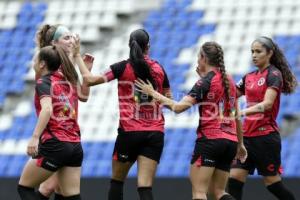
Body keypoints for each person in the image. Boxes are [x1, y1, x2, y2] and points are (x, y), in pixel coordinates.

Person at [135, 41, 247, 200]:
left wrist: (152, 92)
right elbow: (236, 114)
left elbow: (178, 108)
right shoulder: (228, 79)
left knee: (199, 192)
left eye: (198, 57)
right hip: (230, 141)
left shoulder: (204, 82)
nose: (197, 61)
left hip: (210, 140)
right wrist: (240, 144)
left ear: (203, 58)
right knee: (219, 193)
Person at [82, 29, 172, 200]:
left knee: (117, 182)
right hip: (155, 133)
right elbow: (169, 100)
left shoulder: (121, 67)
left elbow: (91, 81)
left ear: (129, 45)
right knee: (145, 187)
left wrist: (82, 63)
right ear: (148, 46)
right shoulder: (159, 69)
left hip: (129, 132)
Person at [228, 36, 297, 200]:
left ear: (270, 53)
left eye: (258, 51)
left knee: (273, 184)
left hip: (265, 138)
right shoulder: (248, 77)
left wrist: (241, 113)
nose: (254, 55)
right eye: (252, 51)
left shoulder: (274, 74)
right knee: (234, 180)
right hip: (246, 138)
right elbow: (231, 96)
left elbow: (267, 104)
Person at [34, 24, 94, 200]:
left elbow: (83, 96)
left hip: (68, 134)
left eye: (71, 37)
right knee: (48, 186)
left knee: (61, 189)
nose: (72, 40)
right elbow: (42, 89)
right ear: (54, 43)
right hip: (55, 135)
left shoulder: (68, 69)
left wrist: (86, 73)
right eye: (66, 38)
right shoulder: (45, 66)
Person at [18, 45, 83, 200]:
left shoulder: (44, 82)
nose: (33, 63)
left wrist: (34, 138)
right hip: (75, 146)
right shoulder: (68, 81)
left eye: (35, 59)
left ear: (42, 64)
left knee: (24, 187)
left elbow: (47, 109)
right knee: (70, 196)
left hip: (55, 144)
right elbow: (84, 95)